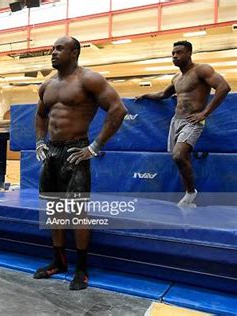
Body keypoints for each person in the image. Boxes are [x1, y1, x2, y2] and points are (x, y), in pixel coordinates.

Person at [35, 36, 127, 290]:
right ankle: (58, 261)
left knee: (77, 213)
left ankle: (82, 268)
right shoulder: (47, 85)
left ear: (74, 52)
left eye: (59, 48)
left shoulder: (90, 79)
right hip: (51, 152)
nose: (53, 52)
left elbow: (118, 109)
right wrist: (39, 142)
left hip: (76, 150)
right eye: (52, 48)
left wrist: (94, 147)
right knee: (53, 210)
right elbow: (40, 115)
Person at [136, 41, 230, 207]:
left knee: (179, 154)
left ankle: (190, 193)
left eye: (179, 52)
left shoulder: (202, 70)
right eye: (173, 53)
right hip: (176, 120)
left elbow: (224, 87)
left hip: (192, 121)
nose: (175, 56)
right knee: (179, 158)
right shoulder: (176, 78)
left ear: (189, 53)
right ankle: (188, 194)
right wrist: (145, 95)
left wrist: (204, 113)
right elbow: (163, 94)